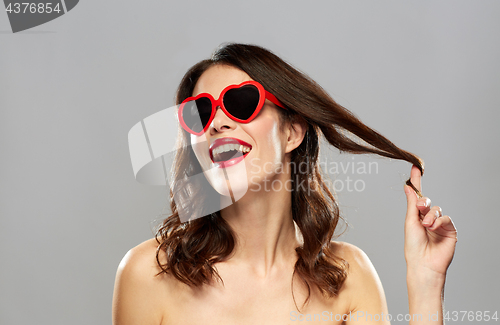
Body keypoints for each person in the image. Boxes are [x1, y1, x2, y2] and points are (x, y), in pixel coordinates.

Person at [112, 43, 457, 324]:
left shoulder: (349, 277)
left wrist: (426, 283)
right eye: (199, 114)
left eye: (240, 102)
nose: (216, 122)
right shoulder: (148, 274)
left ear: (292, 131)